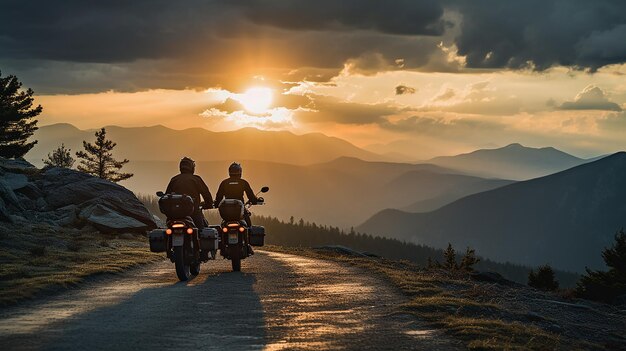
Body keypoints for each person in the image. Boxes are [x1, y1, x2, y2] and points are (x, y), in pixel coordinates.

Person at [165, 157, 213, 230]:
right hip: (193, 213)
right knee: (201, 231)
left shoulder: (174, 179)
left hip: (174, 214)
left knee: (167, 229)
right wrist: (209, 204)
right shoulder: (196, 179)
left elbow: (167, 196)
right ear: (192, 168)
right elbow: (206, 194)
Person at [214, 162, 262, 226]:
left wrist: (216, 204)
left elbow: (219, 197)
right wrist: (256, 200)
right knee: (249, 226)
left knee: (222, 227)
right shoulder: (243, 183)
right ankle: (248, 235)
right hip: (241, 210)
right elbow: (251, 197)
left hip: (227, 213)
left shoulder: (224, 183)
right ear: (240, 172)